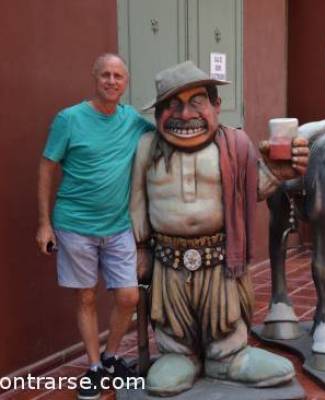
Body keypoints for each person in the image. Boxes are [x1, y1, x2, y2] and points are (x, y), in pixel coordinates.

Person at [130, 61, 309, 396]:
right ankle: (178, 354)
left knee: (224, 316)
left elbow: (254, 188)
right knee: (171, 319)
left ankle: (228, 355)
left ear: (216, 106)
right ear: (157, 114)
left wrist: (281, 172)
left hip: (220, 258)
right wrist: (140, 247)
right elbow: (137, 199)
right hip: (167, 260)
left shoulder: (235, 145)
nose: (185, 115)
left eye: (197, 102)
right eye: (172, 105)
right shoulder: (147, 148)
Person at [36, 53, 155, 400]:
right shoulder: (69, 119)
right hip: (74, 225)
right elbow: (46, 167)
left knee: (129, 296)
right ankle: (93, 367)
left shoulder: (132, 119)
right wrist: (44, 224)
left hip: (117, 226)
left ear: (126, 82)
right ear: (94, 77)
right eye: (105, 75)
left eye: (118, 76)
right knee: (86, 296)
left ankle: (112, 355)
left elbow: (166, 134)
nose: (112, 81)